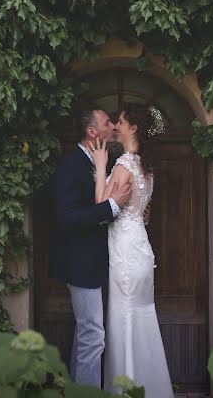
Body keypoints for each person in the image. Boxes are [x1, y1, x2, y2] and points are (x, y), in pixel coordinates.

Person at [89, 103, 174, 397]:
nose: (117, 126)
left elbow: (103, 207)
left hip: (125, 251)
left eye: (121, 122)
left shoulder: (124, 164)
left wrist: (100, 167)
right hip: (140, 246)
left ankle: (125, 391)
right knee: (141, 315)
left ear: (133, 127)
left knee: (124, 318)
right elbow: (143, 213)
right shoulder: (145, 168)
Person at [48, 107, 132, 388]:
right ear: (92, 132)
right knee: (94, 334)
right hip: (79, 262)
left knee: (87, 332)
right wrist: (111, 206)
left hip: (95, 262)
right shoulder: (71, 165)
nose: (112, 126)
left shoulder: (100, 162)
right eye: (108, 122)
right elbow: (67, 217)